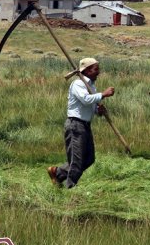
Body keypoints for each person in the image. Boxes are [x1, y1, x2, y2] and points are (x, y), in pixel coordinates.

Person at [47, 58, 115, 188]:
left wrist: (98, 111)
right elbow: (85, 99)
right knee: (77, 161)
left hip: (85, 125)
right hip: (75, 125)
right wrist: (103, 94)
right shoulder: (78, 84)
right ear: (87, 70)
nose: (98, 72)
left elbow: (90, 105)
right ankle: (70, 187)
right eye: (96, 69)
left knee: (89, 158)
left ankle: (58, 173)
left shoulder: (91, 86)